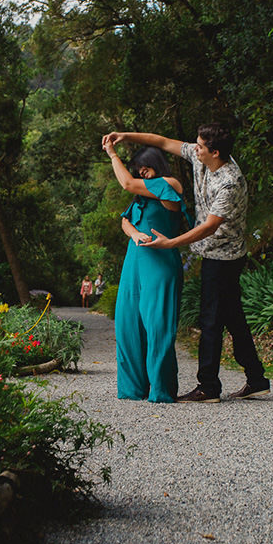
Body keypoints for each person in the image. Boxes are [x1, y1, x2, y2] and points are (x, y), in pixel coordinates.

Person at [102, 124, 270, 403]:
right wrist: (125, 136)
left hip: (224, 255)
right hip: (209, 252)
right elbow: (161, 140)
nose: (195, 148)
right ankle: (256, 378)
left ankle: (208, 388)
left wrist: (171, 243)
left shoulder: (230, 182)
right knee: (233, 318)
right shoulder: (201, 156)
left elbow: (209, 227)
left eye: (200, 146)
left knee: (211, 319)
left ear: (214, 152)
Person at [103, 142, 190, 403]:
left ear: (155, 163)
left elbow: (127, 184)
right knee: (127, 322)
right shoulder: (143, 195)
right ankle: (132, 389)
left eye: (144, 167)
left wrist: (112, 153)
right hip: (134, 262)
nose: (141, 172)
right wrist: (135, 233)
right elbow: (125, 221)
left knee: (158, 325)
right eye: (138, 169)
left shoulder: (170, 185)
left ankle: (161, 390)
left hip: (160, 263)